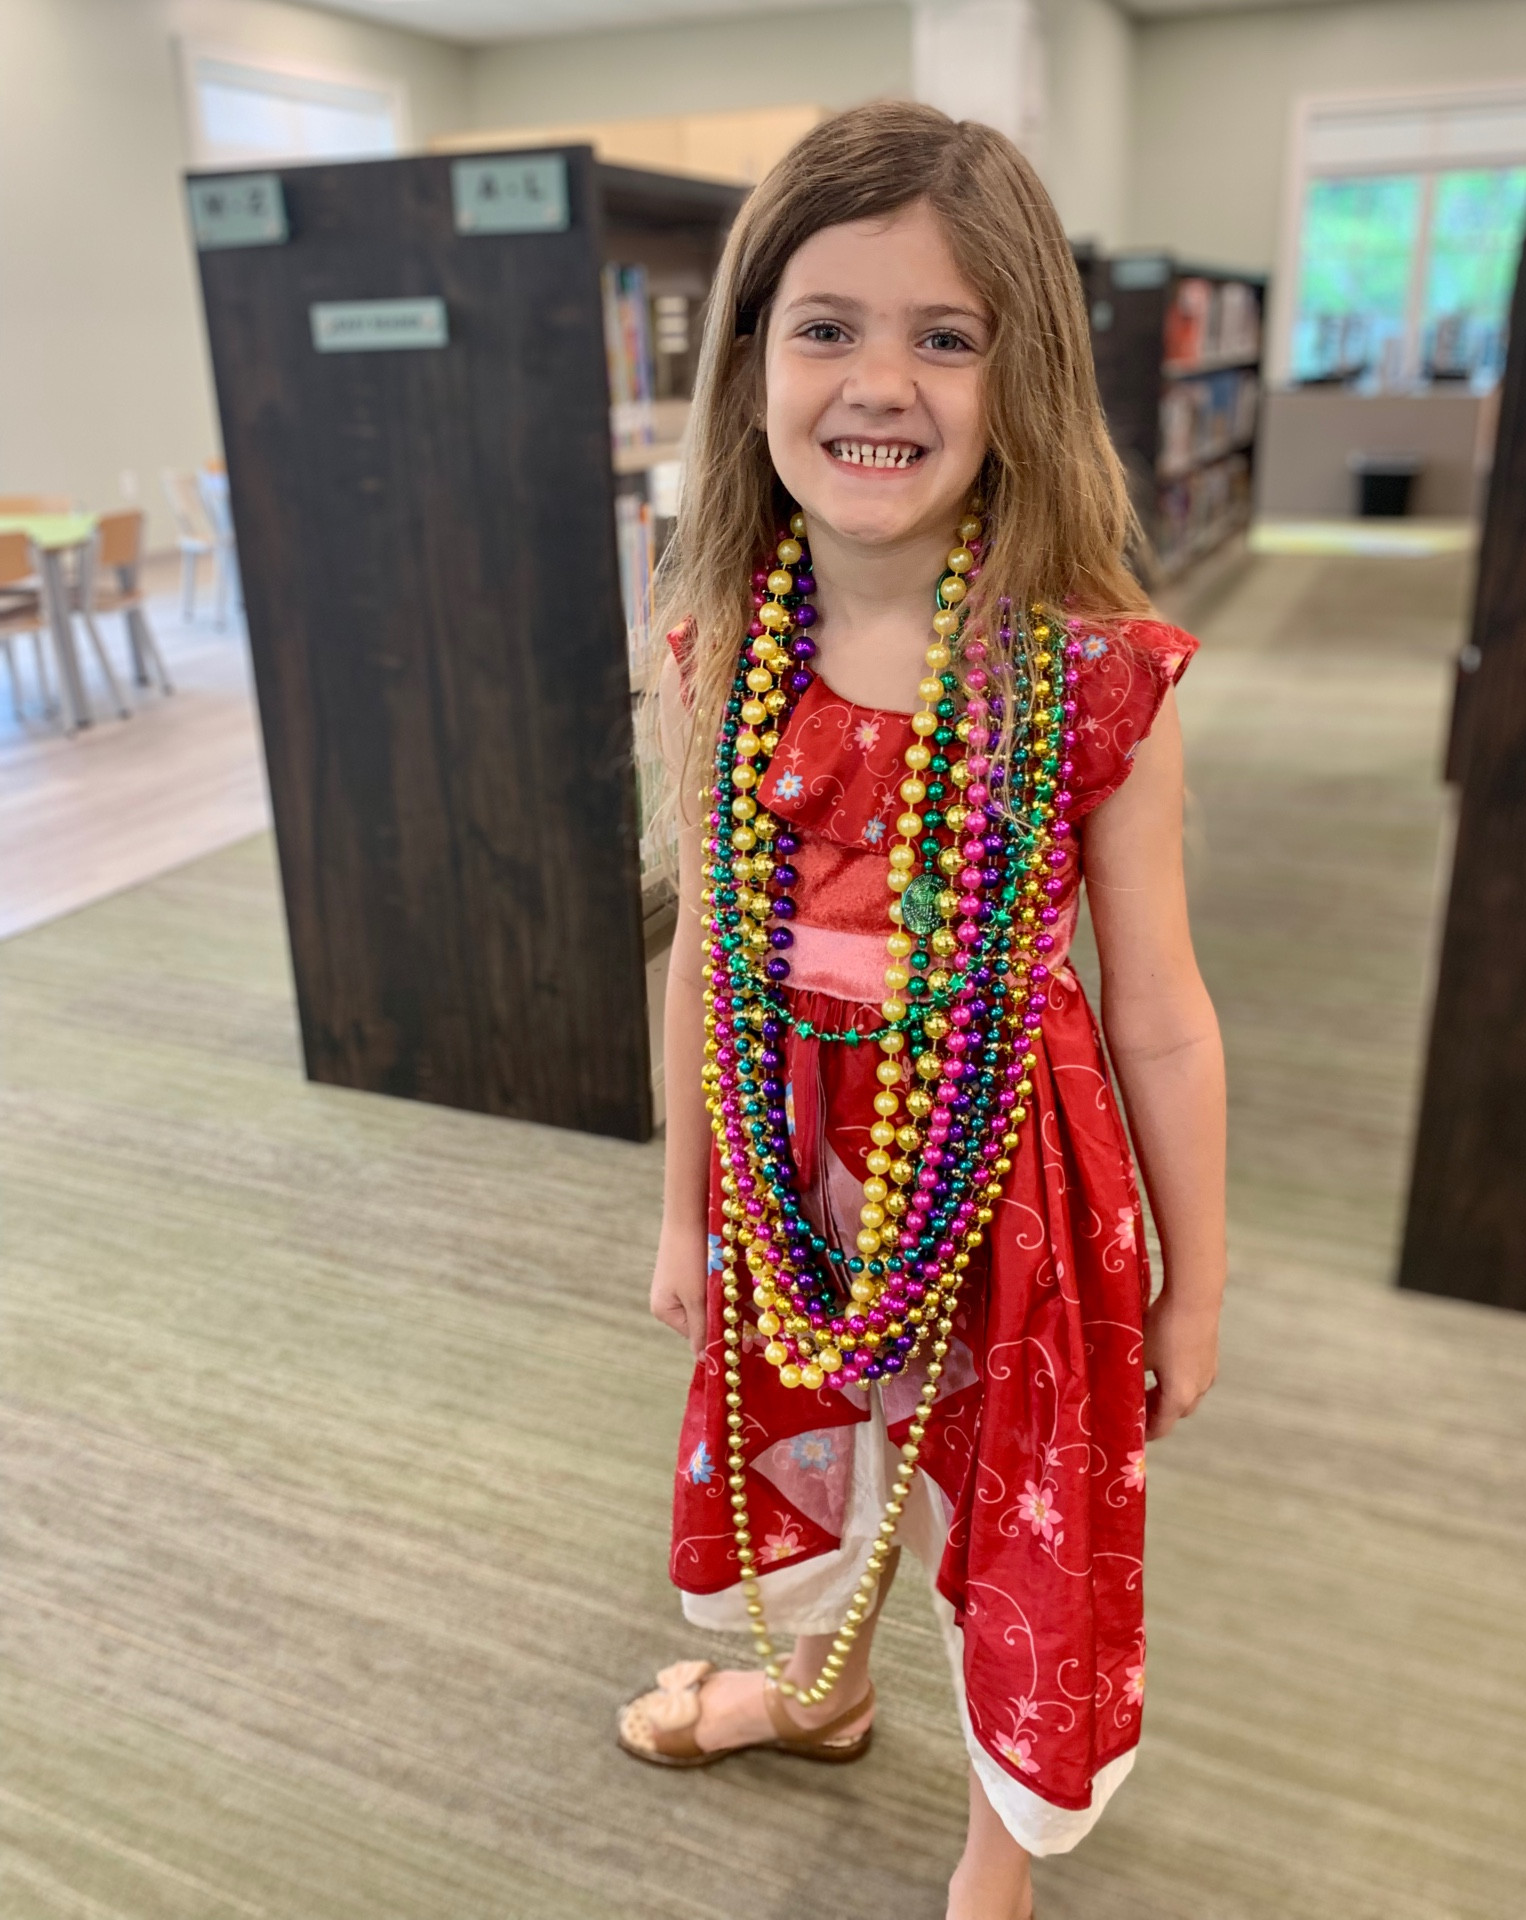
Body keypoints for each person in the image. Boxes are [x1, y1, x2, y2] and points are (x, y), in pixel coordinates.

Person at [617, 101, 1227, 1920]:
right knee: (826, 1446)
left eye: (945, 336)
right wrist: (681, 1202)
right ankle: (820, 1694)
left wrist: (1200, 1280)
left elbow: (1163, 1011)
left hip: (1013, 1171)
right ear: (753, 361)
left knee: (1012, 1510)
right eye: (828, 326)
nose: (880, 382)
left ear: (1018, 374)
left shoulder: (1091, 672)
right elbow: (705, 949)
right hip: (786, 1156)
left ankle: (994, 1858)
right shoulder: (717, 639)